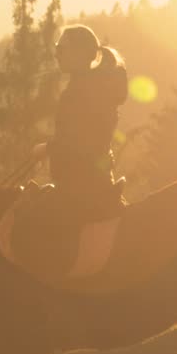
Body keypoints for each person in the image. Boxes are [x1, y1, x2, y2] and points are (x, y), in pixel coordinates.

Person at [32, 25, 129, 222]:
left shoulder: (80, 92)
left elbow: (80, 142)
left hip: (81, 189)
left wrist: (46, 148)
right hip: (92, 183)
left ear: (78, 53)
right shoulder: (92, 86)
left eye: (61, 48)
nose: (56, 54)